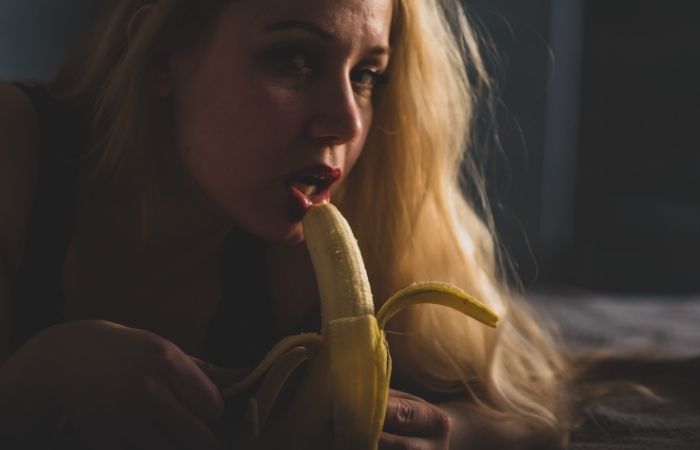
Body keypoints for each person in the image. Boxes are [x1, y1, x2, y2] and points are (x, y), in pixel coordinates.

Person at [0, 0, 573, 448]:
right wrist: (39, 374)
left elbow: (524, 413)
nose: (346, 122)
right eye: (294, 60)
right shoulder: (17, 150)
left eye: (367, 74)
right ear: (162, 57)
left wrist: (450, 433)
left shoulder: (319, 241)